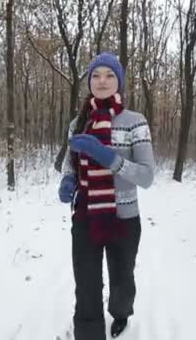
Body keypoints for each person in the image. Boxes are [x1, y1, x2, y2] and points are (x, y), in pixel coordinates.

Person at [58, 52, 155, 340]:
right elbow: (70, 162)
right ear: (89, 81)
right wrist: (67, 180)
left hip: (123, 219)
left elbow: (147, 176)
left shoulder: (135, 122)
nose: (102, 81)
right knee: (86, 284)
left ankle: (121, 313)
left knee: (122, 281)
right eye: (96, 75)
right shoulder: (78, 123)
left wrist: (108, 157)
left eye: (110, 75)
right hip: (86, 216)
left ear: (120, 82)